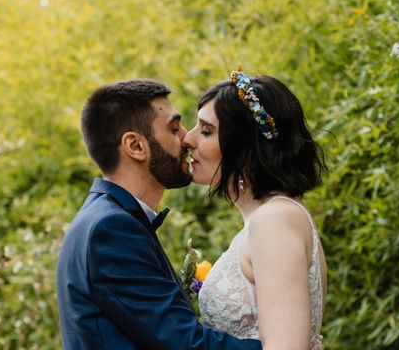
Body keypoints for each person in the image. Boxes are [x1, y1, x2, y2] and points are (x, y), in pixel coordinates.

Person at [56, 79, 261, 349]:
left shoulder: (106, 219)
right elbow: (185, 343)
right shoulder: (110, 229)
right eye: (174, 128)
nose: (187, 138)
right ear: (136, 146)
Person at [184, 67, 328, 349]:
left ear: (243, 147)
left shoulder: (274, 220)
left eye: (206, 131)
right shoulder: (270, 217)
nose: (188, 140)